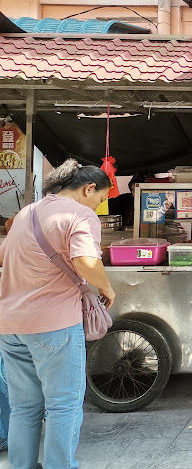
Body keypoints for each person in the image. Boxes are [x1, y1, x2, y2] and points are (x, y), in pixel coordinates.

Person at [0, 159, 115, 469]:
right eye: (101, 198)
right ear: (89, 189)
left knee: (24, 407)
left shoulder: (27, 213)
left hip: (10, 325)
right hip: (54, 325)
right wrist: (108, 288)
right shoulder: (80, 214)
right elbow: (86, 262)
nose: (99, 205)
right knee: (63, 405)